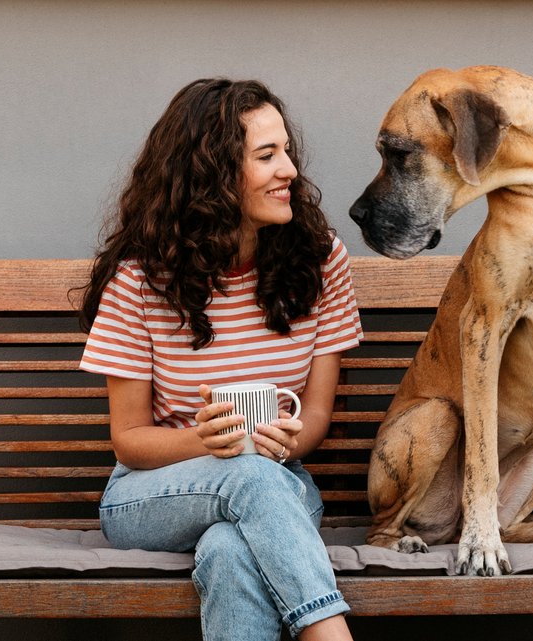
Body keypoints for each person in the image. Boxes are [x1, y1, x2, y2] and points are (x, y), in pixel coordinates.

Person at [78, 78, 362, 641]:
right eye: (266, 156)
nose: (289, 171)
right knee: (249, 476)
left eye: (287, 151)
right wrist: (204, 444)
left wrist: (287, 441)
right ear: (212, 175)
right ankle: (330, 634)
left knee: (230, 550)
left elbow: (317, 414)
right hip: (151, 491)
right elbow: (130, 439)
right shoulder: (139, 279)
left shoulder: (321, 259)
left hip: (281, 482)